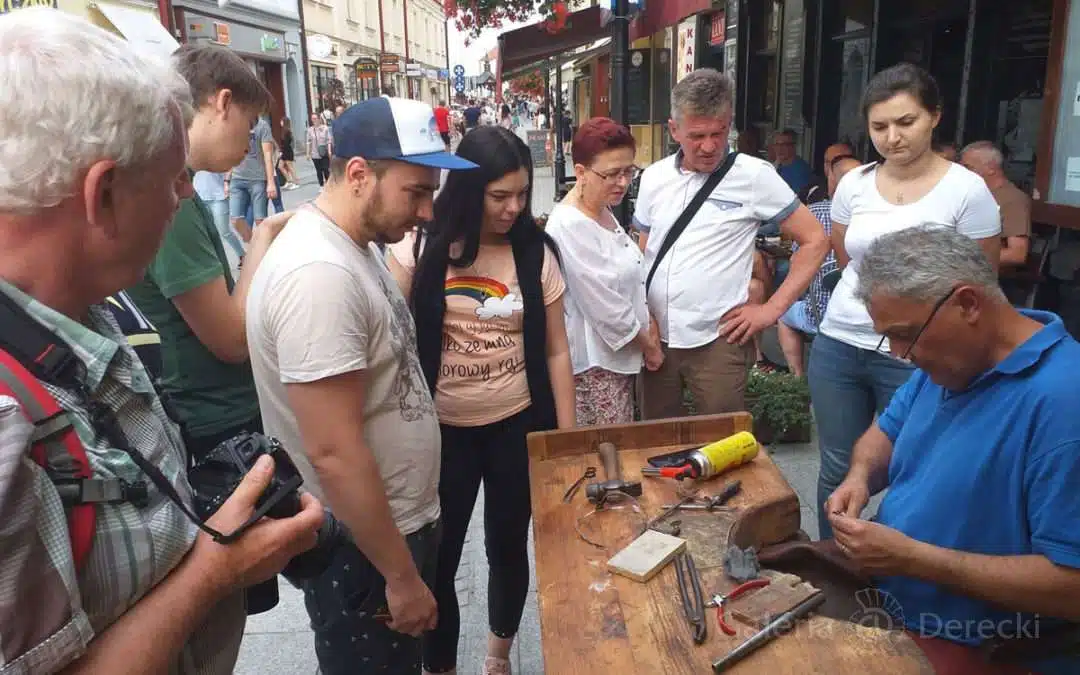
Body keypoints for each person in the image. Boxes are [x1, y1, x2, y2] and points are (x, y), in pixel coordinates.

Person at [0, 11, 321, 675]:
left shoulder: (88, 310)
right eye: (175, 182)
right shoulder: (10, 426)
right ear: (103, 194)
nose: (184, 199)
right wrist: (216, 570)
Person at [246, 97, 477, 674]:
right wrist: (400, 576)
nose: (427, 211)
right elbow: (334, 451)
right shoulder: (320, 275)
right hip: (364, 547)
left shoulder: (352, 245)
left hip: (386, 531)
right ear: (357, 174)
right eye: (415, 192)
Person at [825, 226, 1080, 675]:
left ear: (968, 304)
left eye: (905, 334)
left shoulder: (1065, 401)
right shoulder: (954, 363)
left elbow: (1072, 588)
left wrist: (913, 559)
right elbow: (886, 431)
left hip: (987, 650)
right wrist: (859, 477)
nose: (899, 353)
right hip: (895, 612)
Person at [387, 125, 574, 675]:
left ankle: (498, 656)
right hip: (441, 433)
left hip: (516, 424)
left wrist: (567, 441)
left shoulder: (535, 253)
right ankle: (439, 666)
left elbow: (557, 350)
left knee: (507, 546)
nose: (514, 207)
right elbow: (384, 336)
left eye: (522, 194)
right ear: (468, 191)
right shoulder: (419, 248)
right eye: (499, 196)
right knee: (438, 559)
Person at [808, 62, 1002, 540]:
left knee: (917, 466)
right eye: (879, 127)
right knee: (838, 466)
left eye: (906, 122)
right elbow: (847, 258)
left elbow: (980, 281)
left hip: (922, 353)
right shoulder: (854, 184)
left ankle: (902, 566)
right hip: (839, 343)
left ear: (935, 116)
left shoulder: (966, 190)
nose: (892, 138)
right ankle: (832, 562)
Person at [633, 68, 829, 418]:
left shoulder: (754, 175)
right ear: (674, 129)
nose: (709, 146)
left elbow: (815, 239)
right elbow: (643, 250)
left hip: (718, 340)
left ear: (730, 125)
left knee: (723, 438)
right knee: (656, 437)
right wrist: (642, 316)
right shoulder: (653, 177)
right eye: (697, 136)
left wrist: (771, 310)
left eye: (718, 133)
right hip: (657, 335)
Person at [546, 117, 662, 425]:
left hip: (616, 360)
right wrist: (649, 345)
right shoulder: (570, 225)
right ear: (581, 172)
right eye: (611, 174)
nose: (622, 182)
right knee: (606, 448)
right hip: (595, 367)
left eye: (629, 171)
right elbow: (605, 307)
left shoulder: (599, 208)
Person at [777, 155, 862, 376]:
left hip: (819, 314)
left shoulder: (813, 213)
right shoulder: (875, 217)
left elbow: (797, 261)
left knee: (782, 314)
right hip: (867, 319)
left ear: (831, 180)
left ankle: (797, 376)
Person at [960, 140, 1032, 269]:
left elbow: (1016, 254)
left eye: (968, 167)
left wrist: (963, 260)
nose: (961, 173)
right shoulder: (970, 193)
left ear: (991, 168)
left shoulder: (1012, 199)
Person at [229, 110, 277, 243]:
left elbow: (268, 156)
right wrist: (227, 179)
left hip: (257, 179)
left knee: (260, 220)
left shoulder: (262, 126)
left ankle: (264, 247)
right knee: (235, 219)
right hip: (237, 177)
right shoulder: (237, 124)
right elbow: (231, 152)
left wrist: (271, 182)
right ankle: (253, 244)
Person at [772, 128, 814, 193]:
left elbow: (797, 197)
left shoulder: (800, 170)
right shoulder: (778, 166)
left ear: (793, 146)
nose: (779, 149)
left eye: (784, 145)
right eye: (777, 144)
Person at [307, 112, 332, 186]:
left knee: (326, 169)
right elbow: (308, 142)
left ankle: (328, 185)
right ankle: (321, 185)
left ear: (319, 119)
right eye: (312, 119)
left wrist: (329, 151)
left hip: (324, 153)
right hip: (314, 154)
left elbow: (329, 140)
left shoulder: (325, 128)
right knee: (319, 171)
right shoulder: (310, 130)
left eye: (315, 118)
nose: (314, 120)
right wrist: (308, 153)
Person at [279, 117, 300, 188]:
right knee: (280, 166)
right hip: (284, 151)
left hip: (287, 151)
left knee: (290, 167)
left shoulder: (287, 131)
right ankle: (289, 181)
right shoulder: (284, 131)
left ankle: (296, 183)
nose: (280, 122)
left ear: (284, 122)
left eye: (281, 121)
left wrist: (282, 151)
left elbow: (286, 143)